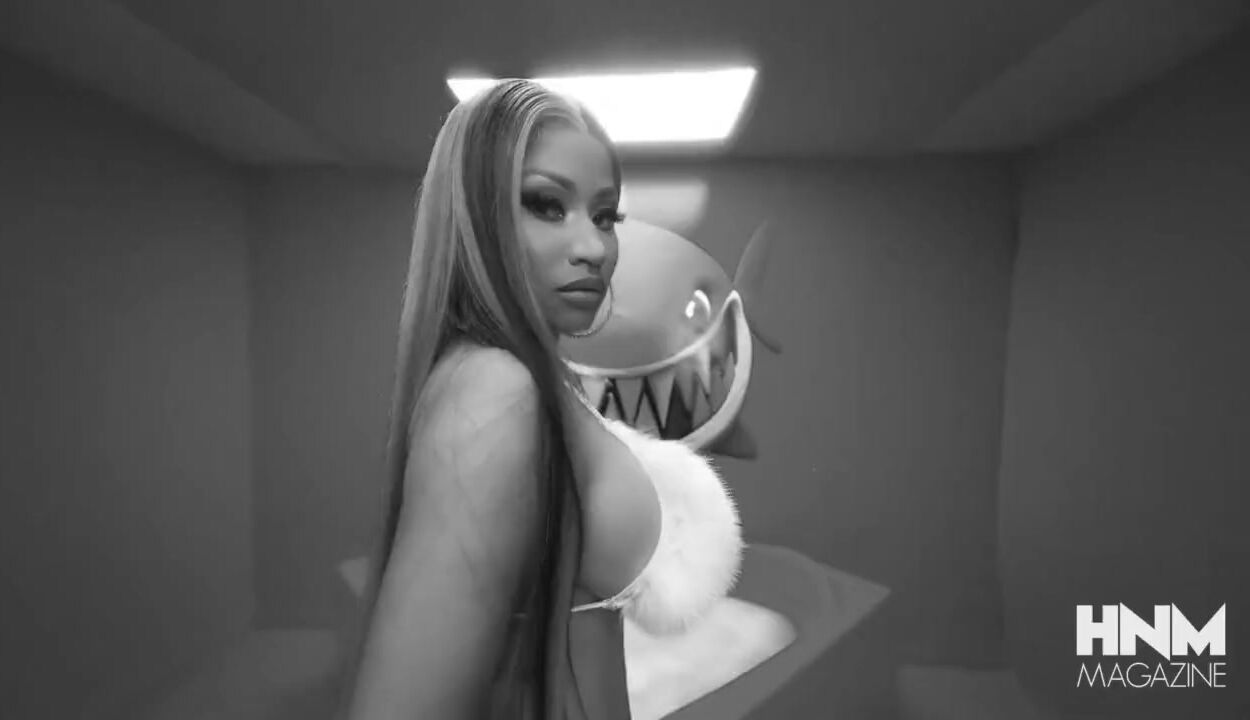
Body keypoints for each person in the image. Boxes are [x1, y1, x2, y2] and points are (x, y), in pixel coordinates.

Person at [337, 79, 742, 720]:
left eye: (605, 216)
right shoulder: (493, 394)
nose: (594, 248)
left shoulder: (536, 381)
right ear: (477, 217)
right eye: (547, 206)